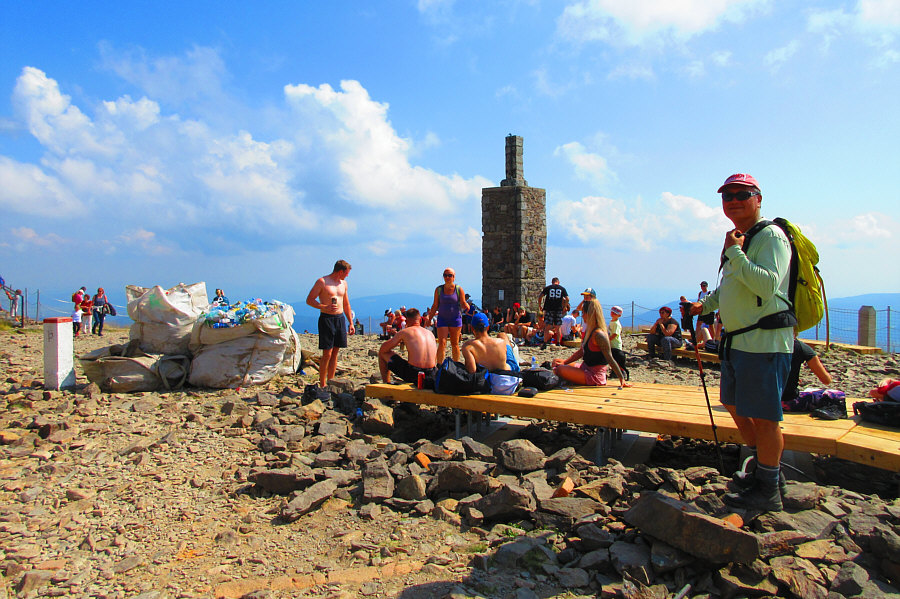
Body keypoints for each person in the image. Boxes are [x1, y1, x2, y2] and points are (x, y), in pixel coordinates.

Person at [691, 173, 793, 512]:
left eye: (742, 194)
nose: (733, 200)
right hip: (737, 342)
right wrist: (703, 306)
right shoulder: (740, 238)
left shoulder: (771, 237)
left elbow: (765, 285)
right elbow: (731, 287)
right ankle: (766, 473)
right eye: (727, 196)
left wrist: (734, 252)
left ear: (758, 198)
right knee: (734, 406)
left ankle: (768, 487)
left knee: (765, 417)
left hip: (764, 341)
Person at [551, 298, 631, 388]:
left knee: (560, 369)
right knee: (556, 362)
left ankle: (566, 379)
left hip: (594, 375)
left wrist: (621, 379)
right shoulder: (590, 331)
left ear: (590, 315)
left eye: (584, 313)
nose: (583, 316)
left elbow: (610, 358)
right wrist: (565, 362)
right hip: (585, 368)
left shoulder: (599, 335)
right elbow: (581, 352)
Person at [306, 259, 355, 388]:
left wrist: (351, 322)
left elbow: (346, 304)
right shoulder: (322, 282)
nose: (347, 276)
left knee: (335, 352)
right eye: (346, 273)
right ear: (340, 271)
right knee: (327, 353)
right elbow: (310, 300)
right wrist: (324, 306)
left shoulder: (343, 284)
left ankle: (331, 382)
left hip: (339, 318)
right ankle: (322, 384)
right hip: (326, 318)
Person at [378, 309, 438, 384]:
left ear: (406, 321)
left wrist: (397, 336)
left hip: (414, 374)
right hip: (432, 374)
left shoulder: (405, 332)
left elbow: (384, 348)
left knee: (383, 353)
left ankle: (386, 383)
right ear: (419, 320)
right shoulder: (430, 333)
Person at [427, 268, 469, 363]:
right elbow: (435, 305)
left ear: (454, 277)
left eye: (449, 275)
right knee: (442, 343)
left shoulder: (458, 289)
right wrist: (429, 319)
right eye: (445, 275)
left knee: (455, 344)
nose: (447, 277)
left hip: (455, 319)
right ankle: (439, 365)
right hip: (442, 319)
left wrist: (466, 306)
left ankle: (456, 365)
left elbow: (463, 303)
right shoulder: (439, 289)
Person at [538, 277, 569, 346]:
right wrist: (564, 306)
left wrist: (540, 305)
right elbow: (567, 298)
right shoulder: (562, 289)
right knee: (558, 327)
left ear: (552, 282)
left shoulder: (548, 288)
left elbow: (540, 296)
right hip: (558, 309)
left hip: (549, 309)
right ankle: (558, 343)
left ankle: (545, 342)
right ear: (558, 282)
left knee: (547, 326)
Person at [608, 305, 629, 378]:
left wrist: (608, 339)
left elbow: (615, 334)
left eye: (615, 313)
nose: (612, 314)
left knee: (617, 360)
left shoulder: (616, 323)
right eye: (612, 312)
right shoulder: (612, 322)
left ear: (618, 315)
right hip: (612, 344)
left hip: (616, 344)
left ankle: (621, 372)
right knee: (613, 359)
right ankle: (614, 372)